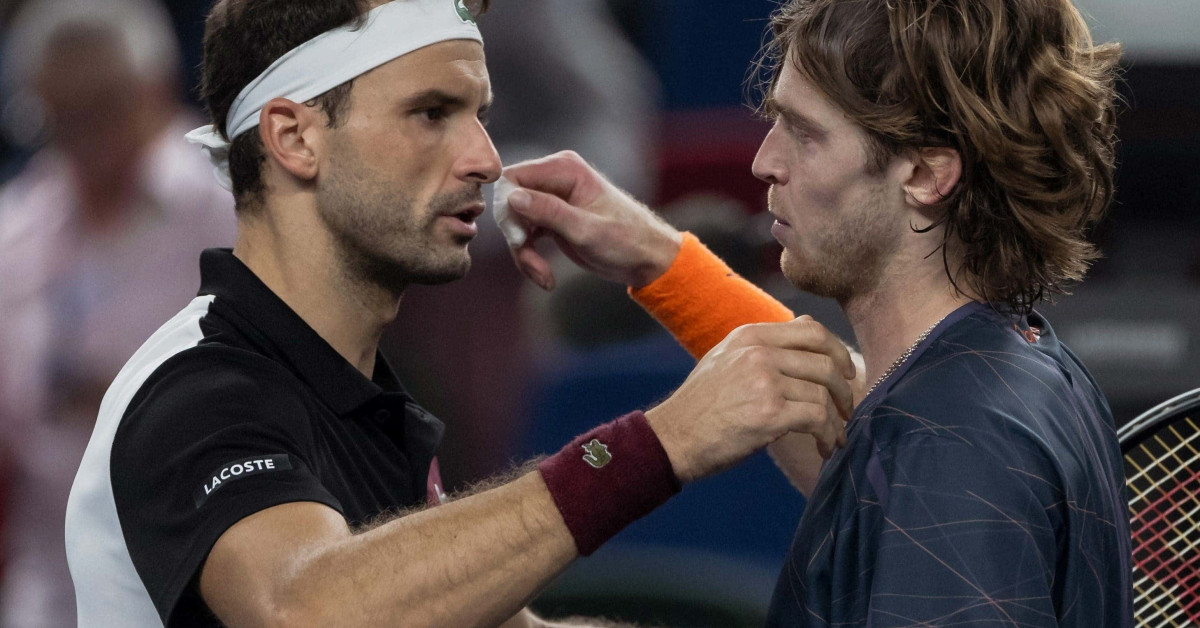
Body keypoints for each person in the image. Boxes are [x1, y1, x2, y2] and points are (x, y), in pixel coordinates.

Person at [63, 1, 856, 627]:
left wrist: (666, 264)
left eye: (478, 113)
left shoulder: (364, 409)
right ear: (295, 139)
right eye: (432, 113)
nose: (485, 156)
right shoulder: (196, 390)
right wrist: (663, 441)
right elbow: (309, 611)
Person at [500, 0, 1133, 625]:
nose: (763, 162)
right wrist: (660, 261)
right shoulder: (1004, 373)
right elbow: (863, 458)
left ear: (925, 174)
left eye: (805, 134)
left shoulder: (954, 452)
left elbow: (906, 467)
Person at [0, 1, 235, 626]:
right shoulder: (17, 226)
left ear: (152, 90)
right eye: (59, 118)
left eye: (101, 110)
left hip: (200, 560)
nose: (83, 138)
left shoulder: (224, 205)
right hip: (48, 575)